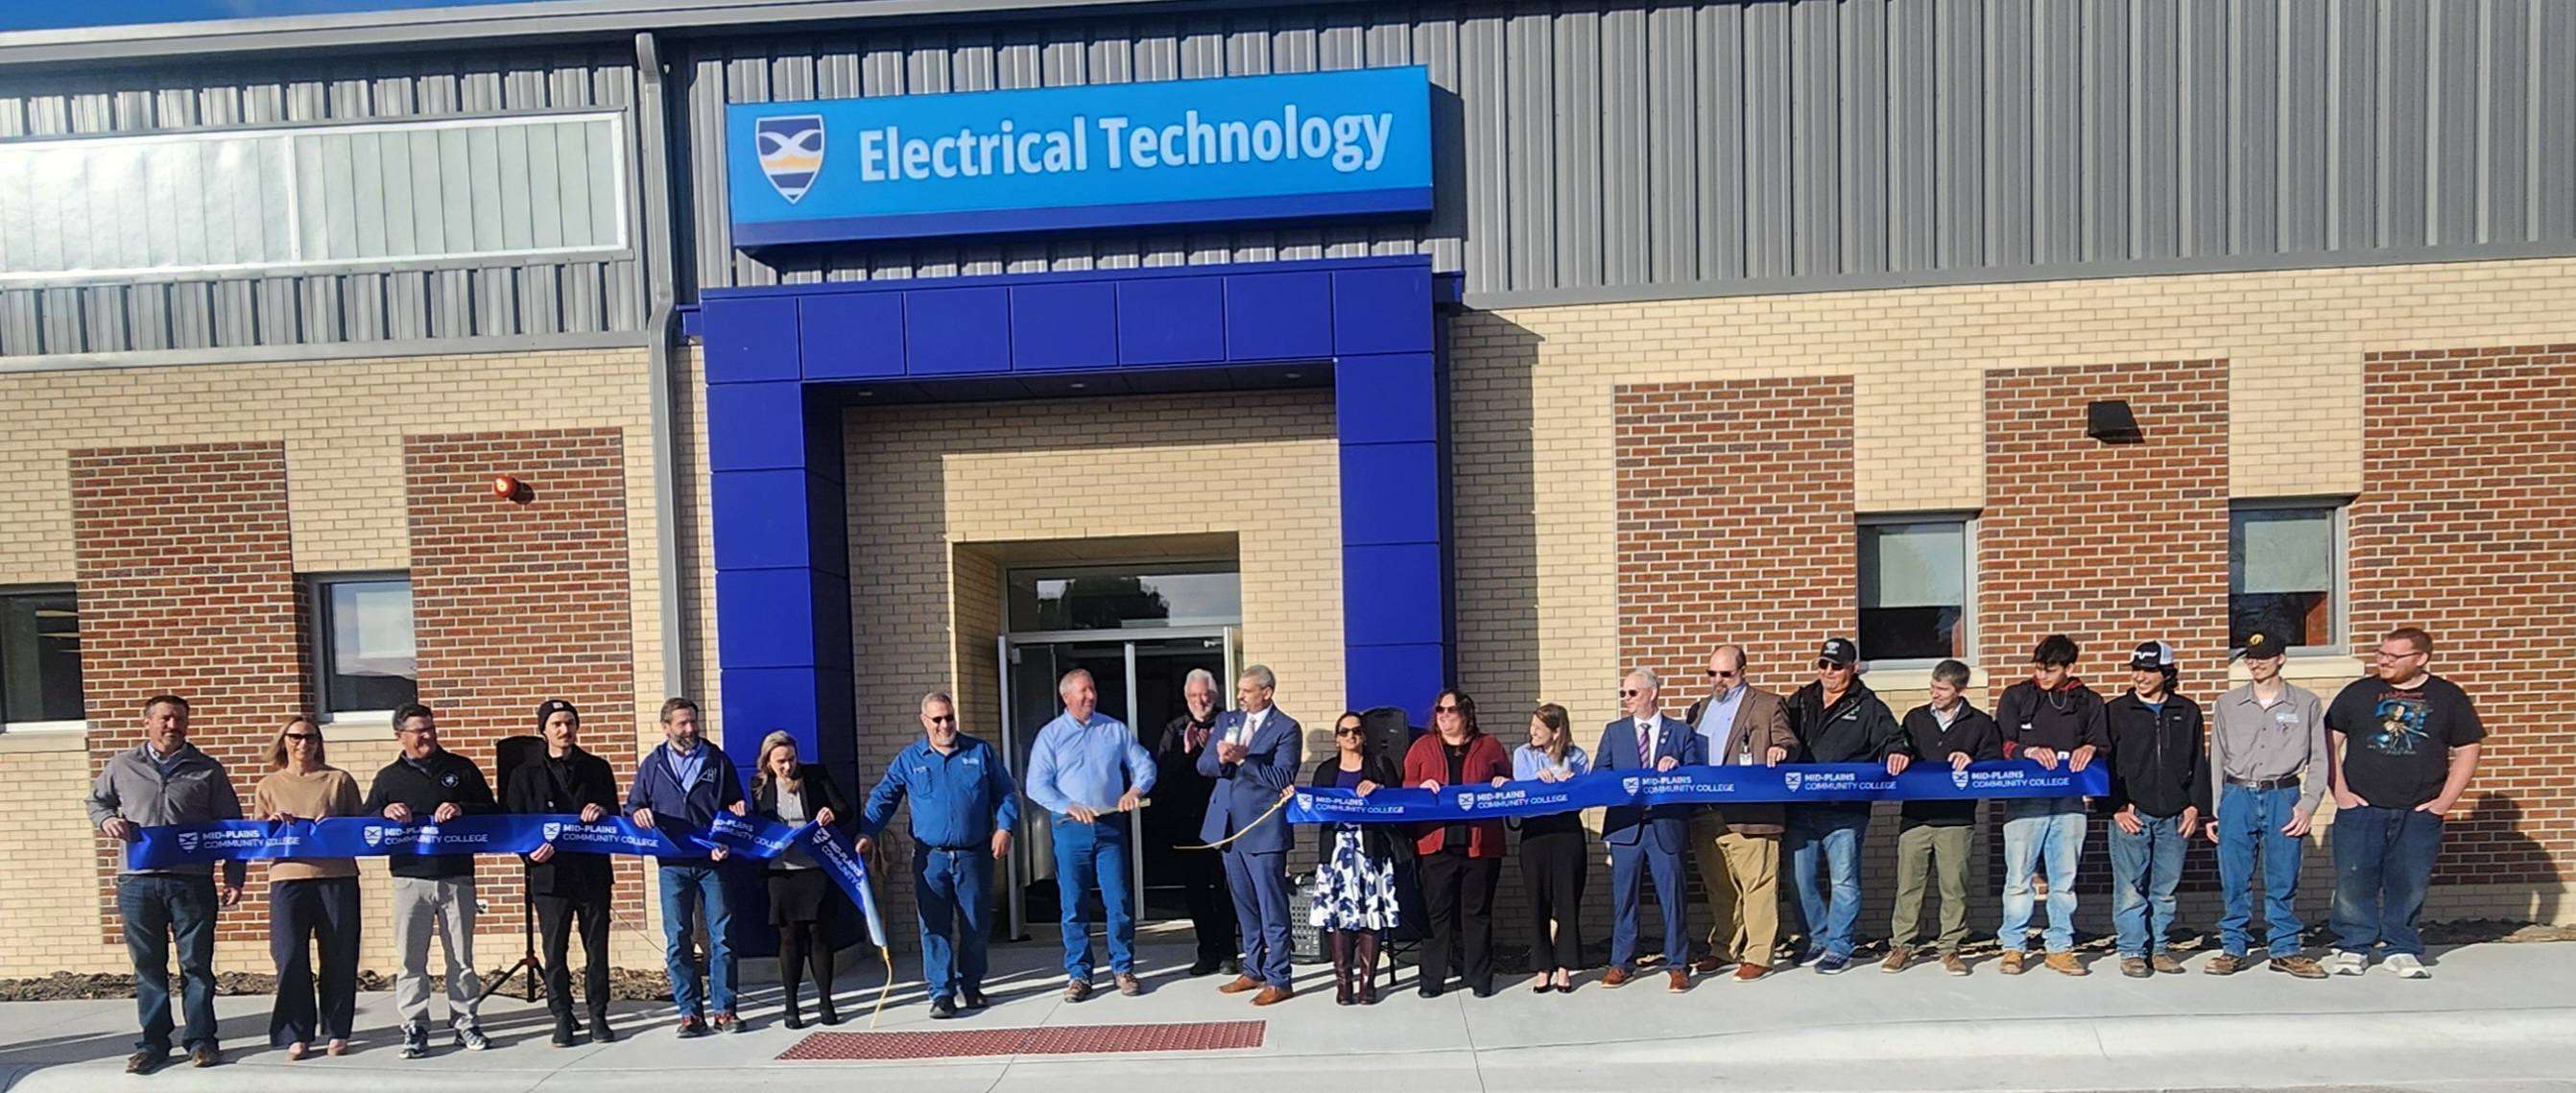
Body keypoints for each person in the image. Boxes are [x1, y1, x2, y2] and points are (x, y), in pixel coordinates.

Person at [88, 695, 246, 1074]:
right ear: (147, 722)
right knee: (148, 966)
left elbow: (231, 825)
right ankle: (154, 1044)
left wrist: (234, 876)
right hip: (138, 882)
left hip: (191, 881)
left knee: (196, 965)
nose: (172, 726)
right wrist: (106, 819)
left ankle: (202, 1040)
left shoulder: (207, 769)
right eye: (165, 719)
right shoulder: (122, 765)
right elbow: (96, 802)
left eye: (179, 720)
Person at [2323, 627, 2483, 979]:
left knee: (2409, 882)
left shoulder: (2448, 697)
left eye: (2394, 656)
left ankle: (2402, 947)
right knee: (2354, 880)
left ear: (2421, 658)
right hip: (2362, 809)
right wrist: (2341, 792)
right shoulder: (2358, 693)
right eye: (2381, 653)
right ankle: (2353, 946)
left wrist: (2444, 802)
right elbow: (2328, 743)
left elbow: (2469, 748)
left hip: (2419, 810)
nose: (2383, 660)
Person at [860, 692, 1019, 1019]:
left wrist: (1005, 828)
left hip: (974, 856)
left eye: (949, 717)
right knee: (934, 926)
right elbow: (883, 798)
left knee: (975, 924)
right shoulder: (909, 759)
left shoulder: (980, 752)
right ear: (924, 721)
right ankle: (942, 993)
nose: (945, 724)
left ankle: (971, 986)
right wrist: (866, 833)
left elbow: (1005, 792)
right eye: (937, 719)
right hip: (931, 858)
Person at [364, 701, 497, 1057]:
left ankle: (465, 1021)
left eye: (430, 729)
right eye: (418, 731)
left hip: (456, 878)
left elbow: (494, 812)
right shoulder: (389, 778)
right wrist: (383, 812)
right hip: (409, 879)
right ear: (400, 737)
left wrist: (462, 808)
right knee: (411, 959)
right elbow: (364, 823)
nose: (426, 736)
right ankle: (414, 1025)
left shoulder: (461, 769)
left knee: (462, 959)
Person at [2203, 630, 2330, 978]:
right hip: (2237, 795)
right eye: (2250, 657)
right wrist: (2215, 809)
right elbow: (2217, 758)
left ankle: (2285, 949)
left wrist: (2307, 804)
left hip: (2283, 796)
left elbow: (2320, 758)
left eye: (2263, 656)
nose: (2255, 663)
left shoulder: (2305, 704)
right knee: (2234, 878)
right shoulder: (2227, 704)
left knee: (2283, 875)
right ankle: (2232, 947)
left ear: (2281, 658)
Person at [1024, 668, 1156, 1002]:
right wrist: (1068, 805)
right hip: (1070, 831)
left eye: (1092, 689)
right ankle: (1079, 975)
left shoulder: (1113, 729)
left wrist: (1134, 790)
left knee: (1119, 901)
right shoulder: (1050, 736)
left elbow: (1144, 764)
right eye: (1082, 691)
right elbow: (1036, 785)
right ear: (1066, 697)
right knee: (1074, 905)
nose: (1090, 696)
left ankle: (1123, 968)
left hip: (1109, 827)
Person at [627, 696, 749, 1035]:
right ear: (666, 727)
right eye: (682, 723)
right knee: (678, 937)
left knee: (722, 936)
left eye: (693, 721)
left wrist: (731, 830)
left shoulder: (716, 759)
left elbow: (735, 807)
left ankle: (725, 1010)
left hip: (713, 863)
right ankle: (689, 1013)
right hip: (672, 865)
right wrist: (638, 813)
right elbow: (634, 805)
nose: (690, 728)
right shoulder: (653, 764)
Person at [504, 700, 621, 1047]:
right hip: (549, 876)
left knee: (596, 950)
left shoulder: (597, 768)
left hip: (592, 873)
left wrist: (602, 810)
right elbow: (513, 824)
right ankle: (561, 1016)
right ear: (544, 729)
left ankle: (598, 1015)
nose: (563, 729)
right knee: (554, 952)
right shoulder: (524, 775)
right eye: (556, 723)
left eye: (569, 722)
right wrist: (528, 854)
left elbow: (617, 816)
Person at [1781, 637, 1902, 974]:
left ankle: (1839, 945)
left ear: (1853, 668)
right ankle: (1817, 937)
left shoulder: (1868, 705)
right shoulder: (1801, 700)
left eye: (1837, 666)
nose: (1829, 672)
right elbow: (1779, 733)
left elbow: (1893, 739)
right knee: (1797, 879)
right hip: (1801, 807)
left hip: (1845, 811)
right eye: (1823, 665)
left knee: (1844, 881)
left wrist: (1897, 752)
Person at [1992, 634, 2110, 976]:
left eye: (2051, 670)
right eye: (2039, 668)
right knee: (2018, 877)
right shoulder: (2017, 696)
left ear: (2069, 668)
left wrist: (2091, 749)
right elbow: (2000, 742)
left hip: (2069, 801)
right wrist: (2026, 751)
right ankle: (2013, 946)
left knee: (2063, 879)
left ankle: (2059, 946)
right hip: (2025, 799)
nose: (2042, 675)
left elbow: (2101, 742)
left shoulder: (2088, 700)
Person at [1683, 644, 1796, 982]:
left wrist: (1780, 749)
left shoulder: (1767, 704)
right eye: (1712, 673)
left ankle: (1760, 954)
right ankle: (1724, 947)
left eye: (1726, 674)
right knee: (1719, 887)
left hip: (1751, 811)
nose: (1718, 680)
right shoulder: (1699, 709)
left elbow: (1789, 741)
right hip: (1706, 812)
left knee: (1758, 885)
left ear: (1742, 672)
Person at [1882, 659, 2001, 976]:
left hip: (1957, 819)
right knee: (1908, 886)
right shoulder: (1915, 718)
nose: (1934, 693)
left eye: (1942, 689)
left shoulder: (1980, 723)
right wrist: (1900, 753)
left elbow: (1995, 761)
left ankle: (1950, 948)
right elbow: (1899, 745)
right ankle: (1902, 946)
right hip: (1916, 817)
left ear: (1960, 690)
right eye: (1932, 687)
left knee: (1954, 887)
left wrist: (1972, 760)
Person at [254, 717, 364, 1058]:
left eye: (311, 738)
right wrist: (271, 825)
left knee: (340, 956)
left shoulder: (338, 780)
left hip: (337, 877)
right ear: (284, 741)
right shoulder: (268, 785)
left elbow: (358, 829)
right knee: (289, 957)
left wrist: (332, 827)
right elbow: (258, 838)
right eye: (297, 737)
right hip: (288, 878)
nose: (304, 744)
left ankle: (337, 1030)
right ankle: (295, 1032)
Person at [2103, 641, 2209, 978]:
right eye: (2136, 669)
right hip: (2132, 815)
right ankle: (2132, 950)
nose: (2140, 677)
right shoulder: (2117, 711)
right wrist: (2116, 807)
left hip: (2175, 815)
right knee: (2131, 888)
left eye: (2148, 670)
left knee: (2165, 889)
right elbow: (2105, 764)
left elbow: (2198, 761)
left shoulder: (2187, 711)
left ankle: (2160, 949)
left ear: (2166, 673)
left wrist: (2195, 806)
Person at [1200, 665, 1302, 1006]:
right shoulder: (1228, 720)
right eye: (1239, 690)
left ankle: (1280, 978)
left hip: (1262, 829)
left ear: (1267, 692)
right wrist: (1220, 758)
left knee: (1271, 906)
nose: (1240, 696)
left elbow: (1282, 775)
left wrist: (1245, 759)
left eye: (1247, 690)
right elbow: (1204, 766)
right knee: (1243, 904)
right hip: (1228, 827)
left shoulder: (1286, 728)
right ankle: (1254, 968)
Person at [1597, 669, 1701, 992]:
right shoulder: (1614, 732)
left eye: (1632, 693)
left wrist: (1677, 766)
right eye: (1623, 694)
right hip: (1626, 827)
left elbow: (1697, 775)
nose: (1626, 699)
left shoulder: (1680, 733)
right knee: (1624, 897)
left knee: (1672, 897)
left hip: (1665, 826)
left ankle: (1678, 964)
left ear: (1652, 693)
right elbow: (1600, 773)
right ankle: (1621, 962)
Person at [1403, 688, 1510, 998]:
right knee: (1437, 916)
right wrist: (1420, 786)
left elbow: (1508, 782)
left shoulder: (1489, 746)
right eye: (1440, 710)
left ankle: (1479, 978)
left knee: (1476, 915)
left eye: (1451, 710)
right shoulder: (1422, 747)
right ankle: (1432, 981)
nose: (1445, 716)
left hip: (1480, 845)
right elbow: (1405, 785)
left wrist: (1503, 783)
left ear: (1466, 714)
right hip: (1437, 846)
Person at [751, 731, 853, 1028]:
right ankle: (791, 1004)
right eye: (780, 762)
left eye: (791, 759)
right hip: (781, 870)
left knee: (819, 933)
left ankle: (825, 1000)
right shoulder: (760, 785)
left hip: (814, 868)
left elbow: (845, 811)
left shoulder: (815, 775)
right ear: (768, 762)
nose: (787, 767)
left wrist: (830, 812)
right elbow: (757, 826)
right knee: (789, 936)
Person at [1308, 710, 1403, 1006]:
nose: (1351, 736)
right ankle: (1343, 983)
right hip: (1337, 853)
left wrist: (1380, 790)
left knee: (1370, 916)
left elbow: (1399, 802)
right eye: (1345, 732)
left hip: (1371, 850)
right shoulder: (1325, 770)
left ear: (1364, 736)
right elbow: (1313, 806)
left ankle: (1368, 984)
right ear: (1337, 738)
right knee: (1340, 918)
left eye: (1357, 731)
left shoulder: (1379, 765)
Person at [1154, 668, 1237, 977]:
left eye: (1206, 695)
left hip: (1224, 819)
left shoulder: (1229, 723)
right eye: (1194, 695)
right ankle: (1207, 952)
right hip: (1187, 823)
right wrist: (1187, 751)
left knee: (1225, 889)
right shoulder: (1175, 728)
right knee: (1197, 891)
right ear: (1186, 697)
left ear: (1215, 696)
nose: (1200, 700)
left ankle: (1229, 952)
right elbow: (1161, 776)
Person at [1515, 703, 1591, 994]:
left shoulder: (1578, 756)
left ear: (1556, 731)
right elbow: (1521, 793)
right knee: (1538, 901)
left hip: (1567, 832)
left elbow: (1583, 796)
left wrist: (1571, 783)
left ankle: (1565, 967)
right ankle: (1542, 966)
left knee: (1567, 901)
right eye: (1532, 725)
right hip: (1535, 833)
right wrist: (1539, 781)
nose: (1532, 732)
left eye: (1538, 727)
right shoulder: (1523, 754)